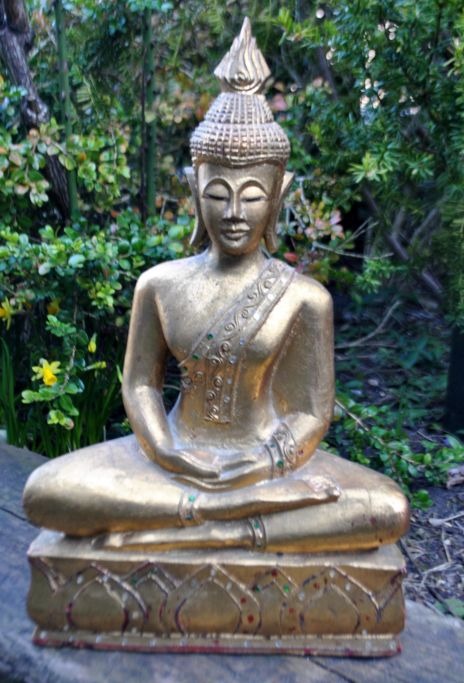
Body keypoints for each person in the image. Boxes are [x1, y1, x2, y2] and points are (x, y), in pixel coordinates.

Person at [23, 19, 408, 553]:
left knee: (386, 508)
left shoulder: (304, 298)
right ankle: (218, 516)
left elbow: (309, 412)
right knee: (45, 491)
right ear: (193, 188)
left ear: (278, 195)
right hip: (174, 461)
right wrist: (166, 450)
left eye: (252, 196)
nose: (233, 213)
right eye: (218, 193)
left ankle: (211, 525)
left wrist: (264, 463)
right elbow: (140, 386)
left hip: (265, 466)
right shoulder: (159, 284)